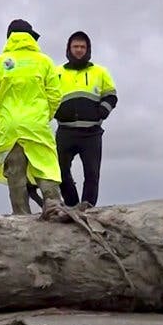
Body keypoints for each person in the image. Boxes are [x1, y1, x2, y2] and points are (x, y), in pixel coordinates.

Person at [0, 19, 63, 214]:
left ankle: (21, 216)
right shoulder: (44, 61)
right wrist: (44, 115)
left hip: (9, 127)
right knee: (46, 166)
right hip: (36, 124)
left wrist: (4, 116)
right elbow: (55, 95)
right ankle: (54, 207)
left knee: (15, 173)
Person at [54, 31, 118, 208]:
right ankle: (73, 205)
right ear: (69, 49)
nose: (79, 50)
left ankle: (88, 208)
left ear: (88, 49)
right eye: (76, 46)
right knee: (59, 171)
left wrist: (102, 111)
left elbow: (111, 96)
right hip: (65, 131)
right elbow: (46, 96)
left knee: (92, 174)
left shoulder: (100, 71)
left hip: (91, 132)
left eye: (83, 47)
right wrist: (55, 112)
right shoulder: (56, 72)